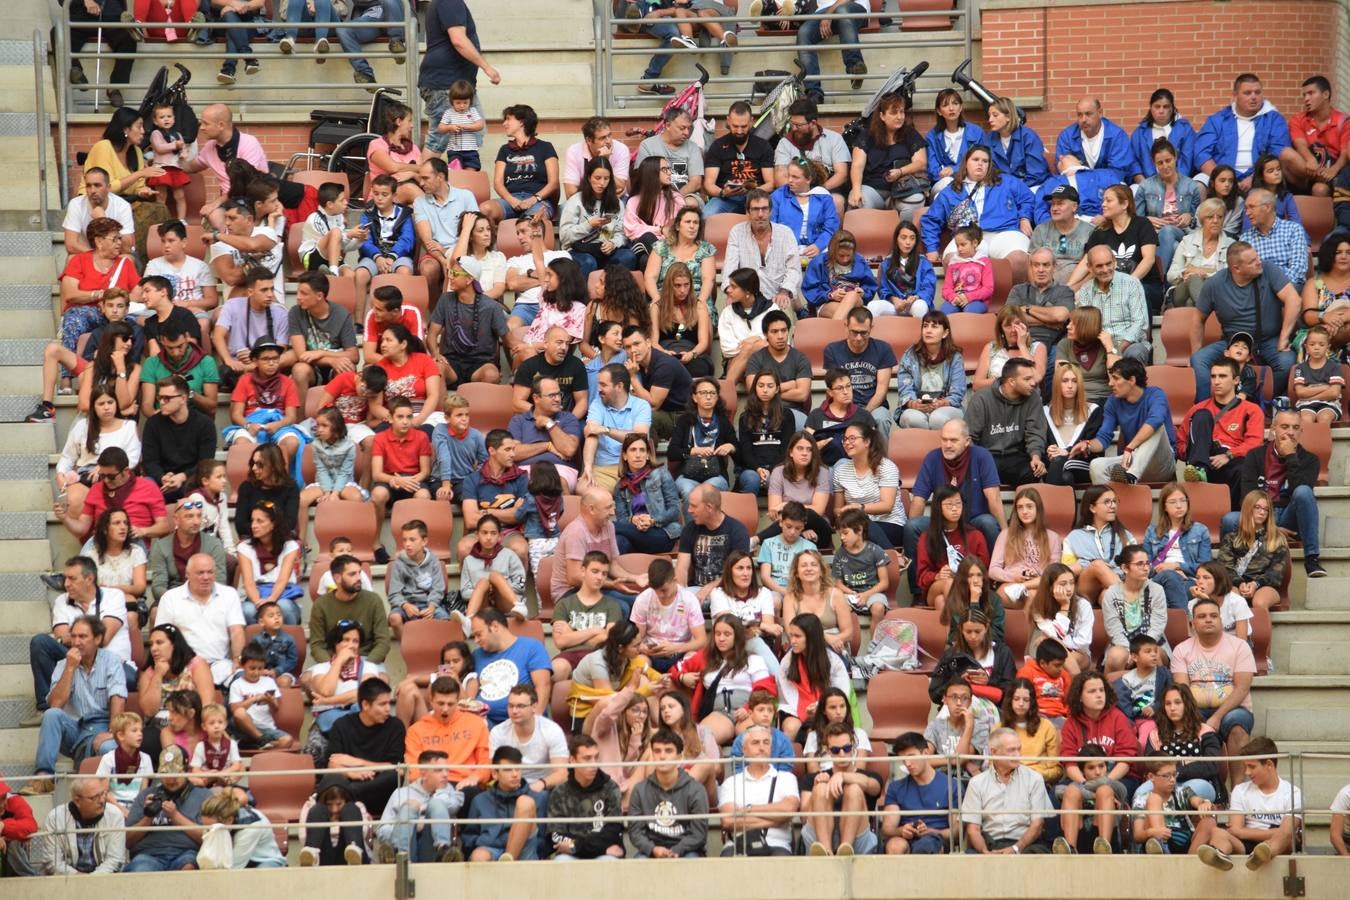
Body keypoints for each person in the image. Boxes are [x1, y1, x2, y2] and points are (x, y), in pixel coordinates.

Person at [21, 615, 126, 797]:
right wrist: (70, 668)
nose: (76, 642)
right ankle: (44, 777)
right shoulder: (64, 664)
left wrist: (113, 732)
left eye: (83, 637)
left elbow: (118, 698)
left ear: (98, 639)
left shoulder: (112, 661)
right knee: (51, 715)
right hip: (75, 728)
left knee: (108, 748)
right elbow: (55, 704)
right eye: (74, 636)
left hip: (101, 727)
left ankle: (106, 794)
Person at [1190, 241, 1301, 403]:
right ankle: (1207, 408)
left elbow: (1294, 300)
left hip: (1267, 340)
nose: (1259, 262)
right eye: (1252, 261)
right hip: (1232, 342)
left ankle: (1257, 399)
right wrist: (1196, 350)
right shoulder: (1214, 284)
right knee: (1199, 360)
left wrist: (1284, 338)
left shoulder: (1268, 270)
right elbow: (1198, 320)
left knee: (1286, 361)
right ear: (1236, 268)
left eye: (1257, 257)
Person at [1172, 597, 1257, 785]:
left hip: (1234, 710)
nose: (1208, 620)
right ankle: (1208, 790)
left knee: (1236, 723)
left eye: (1213, 616)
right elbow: (1183, 692)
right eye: (1202, 616)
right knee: (1187, 723)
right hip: (1194, 710)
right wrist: (1197, 718)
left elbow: (1242, 688)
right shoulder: (1181, 650)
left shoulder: (1239, 646)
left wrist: (1217, 717)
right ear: (1192, 623)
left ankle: (1237, 790)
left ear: (1221, 620)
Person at [922, 145, 1034, 279]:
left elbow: (1028, 198)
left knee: (1019, 260)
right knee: (952, 260)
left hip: (1006, 232)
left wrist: (1024, 218)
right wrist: (932, 249)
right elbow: (931, 220)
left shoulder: (1006, 181)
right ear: (966, 163)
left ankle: (1012, 299)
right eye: (975, 159)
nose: (980, 164)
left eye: (985, 161)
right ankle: (968, 300)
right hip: (968, 236)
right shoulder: (951, 191)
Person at [1069, 357, 1177, 486]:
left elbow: (1156, 420)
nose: (1110, 383)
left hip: (1161, 463)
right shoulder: (1113, 402)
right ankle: (1112, 500)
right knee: (1096, 465)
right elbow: (1103, 438)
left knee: (1156, 426)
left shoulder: (1156, 394)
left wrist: (1129, 448)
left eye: (1116, 378)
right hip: (1133, 459)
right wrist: (1088, 445)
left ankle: (1131, 477)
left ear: (1131, 380)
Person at [1200, 736, 1300, 871]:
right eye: (1245, 767)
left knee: (1284, 838)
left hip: (1278, 845)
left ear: (1269, 764)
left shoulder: (1293, 793)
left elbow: (1286, 832)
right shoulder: (1240, 790)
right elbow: (1235, 830)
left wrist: (1243, 832)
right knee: (1217, 832)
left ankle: (1262, 854)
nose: (1247, 772)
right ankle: (1220, 855)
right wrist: (1272, 831)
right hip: (1246, 846)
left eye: (1251, 767)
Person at [1177, 359, 1264, 506]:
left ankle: (1234, 519)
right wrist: (1195, 451)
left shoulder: (1251, 410)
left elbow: (1255, 443)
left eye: (1222, 376)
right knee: (1203, 414)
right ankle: (1199, 470)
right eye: (1213, 376)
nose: (1216, 381)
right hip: (1203, 458)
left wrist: (1228, 455)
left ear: (1236, 380)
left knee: (1244, 469)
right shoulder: (1198, 409)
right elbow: (1180, 442)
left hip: (1231, 460)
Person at [550, 486, 647, 607]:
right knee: (620, 608)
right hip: (569, 593)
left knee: (639, 602)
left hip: (597, 587)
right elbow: (574, 578)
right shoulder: (576, 532)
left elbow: (612, 565)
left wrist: (635, 578)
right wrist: (610, 584)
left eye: (612, 506)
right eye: (608, 508)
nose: (612, 512)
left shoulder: (608, 526)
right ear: (591, 509)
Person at [1194, 73, 1292, 188]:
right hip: (1221, 174)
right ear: (1235, 96)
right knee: (1198, 186)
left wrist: (1253, 178)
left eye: (1257, 92)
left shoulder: (1274, 120)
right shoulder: (1217, 120)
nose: (1254, 97)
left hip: (1260, 175)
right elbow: (1201, 154)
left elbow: (1277, 153)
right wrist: (1223, 178)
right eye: (1247, 93)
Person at [121, 745, 210, 871]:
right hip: (148, 855)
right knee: (139, 869)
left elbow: (210, 839)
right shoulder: (146, 795)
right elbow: (127, 842)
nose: (170, 779)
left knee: (188, 868)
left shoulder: (203, 795)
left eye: (176, 773)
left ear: (186, 771)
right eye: (165, 773)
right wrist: (148, 817)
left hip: (186, 854)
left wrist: (175, 816)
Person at [715, 724, 800, 857]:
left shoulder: (786, 778)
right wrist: (776, 820)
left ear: (771, 748)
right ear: (744, 749)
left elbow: (788, 810)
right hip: (738, 845)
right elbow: (728, 821)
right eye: (755, 743)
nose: (761, 747)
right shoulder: (731, 782)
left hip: (777, 844)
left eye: (766, 743)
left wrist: (748, 809)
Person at [324, 677, 405, 815]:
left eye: (389, 703)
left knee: (394, 775)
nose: (387, 709)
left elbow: (396, 768)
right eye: (382, 704)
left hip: (379, 792)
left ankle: (349, 793)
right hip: (349, 783)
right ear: (366, 705)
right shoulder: (342, 726)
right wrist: (353, 773)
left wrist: (358, 762)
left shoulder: (395, 726)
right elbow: (332, 764)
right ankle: (349, 794)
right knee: (333, 778)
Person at [402, 674, 488, 802]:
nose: (445, 709)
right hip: (430, 785)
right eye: (440, 703)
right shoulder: (416, 730)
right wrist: (433, 784)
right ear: (431, 700)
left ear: (458, 701)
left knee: (474, 795)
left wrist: (475, 777)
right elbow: (414, 770)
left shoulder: (477, 724)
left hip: (465, 783)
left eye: (450, 704)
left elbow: (485, 762)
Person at [626, 728, 709, 859]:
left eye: (668, 751)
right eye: (657, 751)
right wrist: (652, 849)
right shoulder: (640, 790)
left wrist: (677, 849)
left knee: (692, 861)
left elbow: (699, 834)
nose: (662, 756)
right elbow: (635, 832)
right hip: (652, 850)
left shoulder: (696, 789)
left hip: (687, 850)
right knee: (639, 862)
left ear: (680, 756)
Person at [965, 358, 1047, 486]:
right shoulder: (981, 399)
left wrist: (1035, 457)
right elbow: (969, 438)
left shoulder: (1033, 398)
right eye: (1027, 379)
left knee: (1034, 472)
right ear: (1012, 381)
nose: (1033, 383)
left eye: (1032, 378)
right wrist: (980, 461)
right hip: (987, 457)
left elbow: (1035, 433)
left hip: (1016, 457)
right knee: (973, 473)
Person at [848, 92, 928, 220]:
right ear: (882, 116)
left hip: (902, 189)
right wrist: (856, 190)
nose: (899, 117)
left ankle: (903, 237)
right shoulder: (867, 135)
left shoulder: (910, 133)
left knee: (916, 200)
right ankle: (869, 240)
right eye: (894, 112)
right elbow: (857, 165)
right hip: (872, 189)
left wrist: (901, 171)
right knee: (858, 202)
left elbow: (920, 162)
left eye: (902, 112)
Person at [469, 609, 552, 728]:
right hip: (486, 724)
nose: (476, 640)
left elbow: (543, 686)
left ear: (494, 626)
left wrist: (535, 724)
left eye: (478, 634)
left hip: (523, 723)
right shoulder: (477, 655)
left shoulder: (531, 647)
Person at [547, 735, 626, 860]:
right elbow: (555, 835)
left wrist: (575, 846)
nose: (594, 764)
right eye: (587, 758)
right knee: (562, 860)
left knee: (608, 861)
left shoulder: (611, 787)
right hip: (584, 852)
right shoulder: (560, 792)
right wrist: (581, 847)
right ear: (572, 760)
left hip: (602, 853)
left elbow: (612, 832)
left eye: (596, 758)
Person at [721, 191, 803, 310]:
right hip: (747, 296)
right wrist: (730, 292)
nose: (760, 214)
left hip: (778, 296)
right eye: (755, 209)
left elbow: (794, 269)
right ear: (747, 212)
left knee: (783, 319)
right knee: (730, 315)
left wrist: (784, 292)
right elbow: (730, 266)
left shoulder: (786, 233)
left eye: (764, 209)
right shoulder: (737, 232)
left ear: (770, 211)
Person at [550, 551, 624, 679]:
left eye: (604, 574)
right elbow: (561, 642)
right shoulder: (564, 604)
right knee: (557, 668)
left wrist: (572, 634)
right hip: (570, 655)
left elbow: (610, 639)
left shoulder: (613, 606)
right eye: (595, 571)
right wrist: (595, 631)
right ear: (583, 571)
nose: (600, 577)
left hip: (600, 655)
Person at [560, 158, 635, 280]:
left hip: (605, 250)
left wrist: (613, 243)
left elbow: (621, 234)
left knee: (628, 256)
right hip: (579, 250)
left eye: (606, 178)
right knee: (589, 262)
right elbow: (564, 236)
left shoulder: (617, 203)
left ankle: (617, 297)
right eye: (597, 178)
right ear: (589, 178)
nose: (602, 183)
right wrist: (588, 225)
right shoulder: (576, 200)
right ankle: (582, 298)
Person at [629, 558, 708, 673]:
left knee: (693, 660)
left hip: (681, 651)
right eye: (655, 590)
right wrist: (642, 647)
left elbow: (702, 640)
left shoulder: (689, 600)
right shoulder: (643, 599)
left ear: (674, 580)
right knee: (638, 667)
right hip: (651, 652)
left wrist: (677, 648)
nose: (660, 595)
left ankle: (677, 678)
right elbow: (638, 637)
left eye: (664, 590)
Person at [989, 487, 1063, 608]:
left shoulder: (1053, 537)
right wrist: (1013, 577)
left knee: (1032, 595)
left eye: (1029, 506)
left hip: (1038, 585)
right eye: (1020, 507)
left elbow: (1053, 572)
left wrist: (1035, 576)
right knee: (1028, 596)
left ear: (1038, 509)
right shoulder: (1005, 534)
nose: (1024, 511)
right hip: (1010, 585)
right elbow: (992, 570)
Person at [677, 483, 752, 600]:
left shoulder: (737, 531)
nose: (689, 510)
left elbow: (739, 571)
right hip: (697, 589)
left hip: (728, 590)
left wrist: (709, 588)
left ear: (709, 508)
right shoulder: (689, 529)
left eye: (693, 506)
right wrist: (680, 592)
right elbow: (682, 568)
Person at [895, 310, 967, 430]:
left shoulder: (955, 357)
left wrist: (940, 403)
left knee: (937, 418)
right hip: (917, 408)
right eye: (925, 326)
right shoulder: (910, 356)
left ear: (945, 333)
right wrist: (914, 404)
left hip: (947, 407)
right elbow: (905, 389)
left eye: (934, 326)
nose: (928, 330)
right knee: (912, 418)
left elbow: (957, 392)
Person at [702, 101, 776, 216]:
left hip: (756, 197)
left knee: (776, 214)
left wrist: (754, 192)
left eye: (744, 126)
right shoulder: (718, 146)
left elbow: (770, 183)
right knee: (706, 216)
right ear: (728, 121)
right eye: (735, 126)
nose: (739, 131)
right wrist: (722, 192)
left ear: (752, 121)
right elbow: (708, 184)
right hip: (726, 198)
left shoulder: (763, 146)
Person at [615, 433, 683, 554]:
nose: (638, 455)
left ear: (647, 455)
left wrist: (652, 520)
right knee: (620, 541)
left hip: (661, 533)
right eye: (633, 450)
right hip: (634, 534)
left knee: (611, 527)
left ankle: (605, 527)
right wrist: (633, 520)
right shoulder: (621, 486)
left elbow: (674, 510)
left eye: (642, 450)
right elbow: (622, 519)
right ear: (625, 456)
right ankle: (627, 573)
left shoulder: (662, 474)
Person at [1283, 74, 1348, 196]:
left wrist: (1333, 170)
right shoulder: (1297, 119)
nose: (1306, 99)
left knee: (1320, 189)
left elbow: (1345, 152)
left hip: (1333, 168)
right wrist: (1310, 159)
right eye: (1304, 95)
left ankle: (1328, 182)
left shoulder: (1343, 120)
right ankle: (1327, 180)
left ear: (1325, 94)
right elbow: (1299, 144)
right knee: (1286, 154)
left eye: (1311, 93)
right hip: (1307, 170)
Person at [772, 157, 841, 266]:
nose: (790, 180)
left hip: (817, 249)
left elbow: (831, 227)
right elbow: (771, 226)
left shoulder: (823, 197)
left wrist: (819, 245)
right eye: (789, 175)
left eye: (795, 177)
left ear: (808, 179)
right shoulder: (778, 196)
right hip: (785, 250)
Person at [794, 0, 868, 102]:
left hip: (852, 8)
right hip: (822, 14)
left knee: (842, 11)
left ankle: (855, 66)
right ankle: (814, 92)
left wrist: (829, 14)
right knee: (804, 33)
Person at [1240, 188, 1311, 292]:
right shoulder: (1245, 238)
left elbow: (1297, 272)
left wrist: (1272, 283)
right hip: (1259, 290)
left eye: (1251, 207)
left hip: (1289, 287)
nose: (1247, 213)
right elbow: (1246, 273)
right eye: (1246, 208)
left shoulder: (1293, 230)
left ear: (1267, 207)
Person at [634, 108, 705, 204]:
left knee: (690, 203)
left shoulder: (693, 147)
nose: (687, 133)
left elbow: (696, 182)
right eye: (682, 128)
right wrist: (662, 199)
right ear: (668, 125)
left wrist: (675, 198)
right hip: (654, 194)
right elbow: (643, 178)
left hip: (685, 195)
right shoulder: (648, 145)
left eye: (689, 128)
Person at [805, 368, 872, 467]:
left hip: (858, 468)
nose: (846, 392)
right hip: (825, 468)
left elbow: (874, 447)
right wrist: (818, 446)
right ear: (830, 392)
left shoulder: (863, 415)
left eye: (848, 386)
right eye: (840, 388)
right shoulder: (816, 415)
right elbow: (805, 446)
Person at [1000, 677, 1063, 783]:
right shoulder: (999, 729)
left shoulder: (1046, 726)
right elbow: (993, 764)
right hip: (1008, 782)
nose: (1021, 704)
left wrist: (1034, 775)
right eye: (1016, 699)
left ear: (1032, 702)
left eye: (1026, 700)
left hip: (1039, 781)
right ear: (1009, 701)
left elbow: (1056, 768)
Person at [1297, 238, 1350, 359]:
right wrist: (1324, 317)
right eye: (1338, 252)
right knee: (1317, 340)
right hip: (1319, 334)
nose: (1344, 256)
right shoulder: (1315, 283)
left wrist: (1338, 320)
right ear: (1329, 254)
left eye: (1348, 252)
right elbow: (1308, 316)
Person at [1055, 98, 1133, 180]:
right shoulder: (1067, 136)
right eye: (1080, 115)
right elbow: (1064, 170)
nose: (1083, 119)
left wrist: (1082, 172)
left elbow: (1117, 173)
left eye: (1088, 114)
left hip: (1110, 187)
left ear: (1100, 113)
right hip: (1078, 187)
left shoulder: (1117, 136)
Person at [63, 167, 135, 255]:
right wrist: (98, 257)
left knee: (128, 258)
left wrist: (104, 221)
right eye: (88, 186)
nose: (92, 190)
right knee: (71, 258)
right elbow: (71, 245)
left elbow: (127, 248)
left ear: (108, 187)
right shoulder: (76, 204)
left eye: (97, 185)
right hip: (87, 253)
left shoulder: (122, 206)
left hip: (114, 255)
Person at [1130, 88, 1198, 181]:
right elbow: (1133, 162)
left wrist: (1174, 183)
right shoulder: (1139, 133)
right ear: (1151, 108)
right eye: (1157, 106)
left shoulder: (1185, 130)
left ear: (1172, 108)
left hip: (1179, 182)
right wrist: (1144, 184)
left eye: (1166, 107)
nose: (1161, 111)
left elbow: (1187, 161)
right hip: (1147, 183)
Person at [873, 220, 935, 318]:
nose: (908, 242)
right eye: (903, 237)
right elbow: (883, 289)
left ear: (916, 241)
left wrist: (916, 297)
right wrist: (894, 300)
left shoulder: (923, 262)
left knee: (920, 306)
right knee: (873, 306)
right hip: (896, 305)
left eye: (912, 238)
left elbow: (929, 287)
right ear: (896, 239)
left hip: (915, 303)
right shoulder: (887, 263)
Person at [563, 117, 633, 197]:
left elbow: (620, 186)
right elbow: (570, 193)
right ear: (589, 140)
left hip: (613, 200)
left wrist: (604, 162)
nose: (608, 141)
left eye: (609, 135)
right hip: (585, 201)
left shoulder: (621, 149)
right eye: (602, 138)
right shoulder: (574, 151)